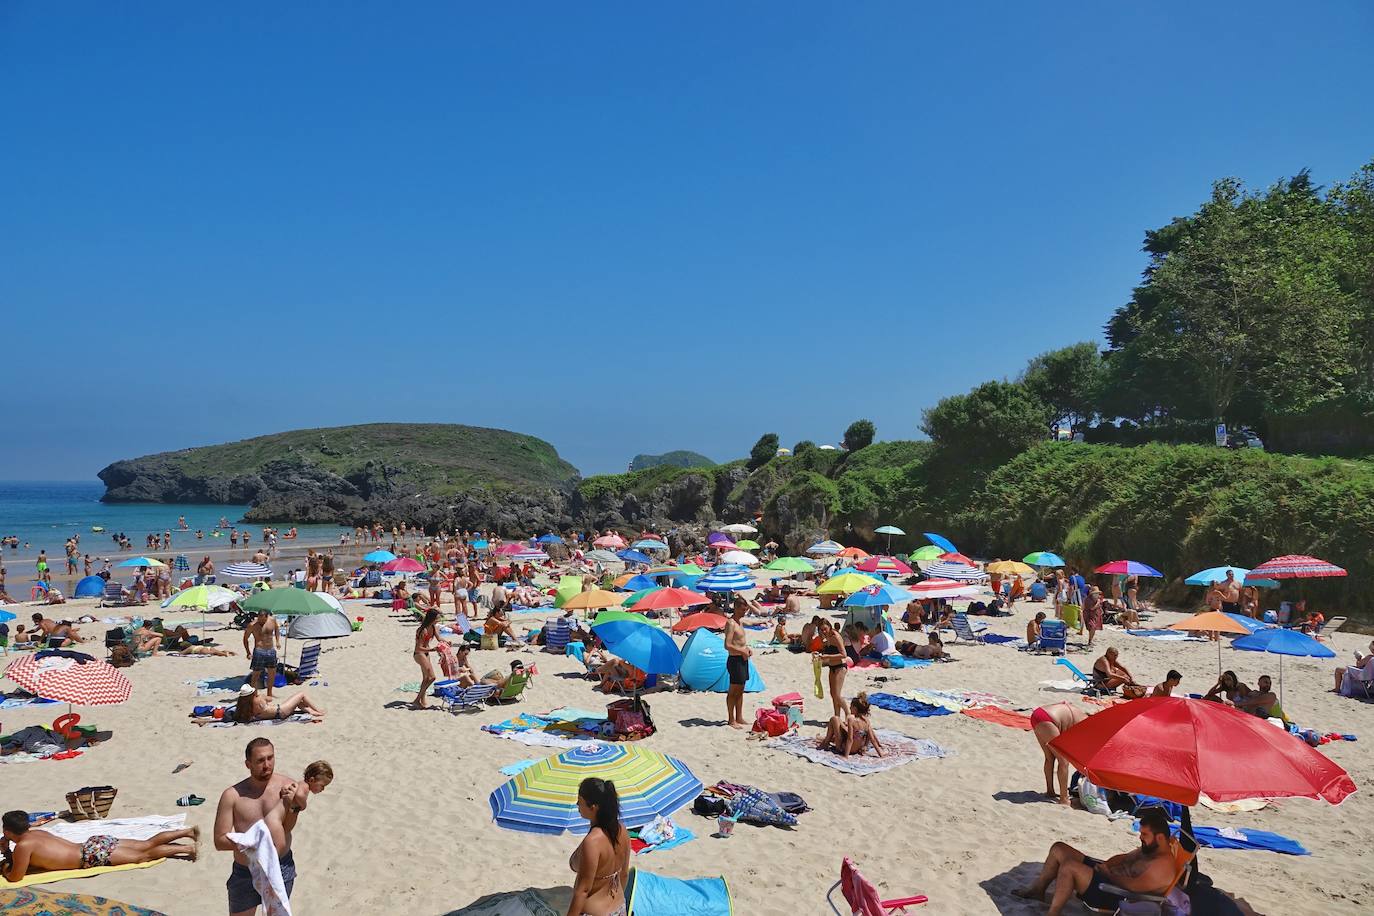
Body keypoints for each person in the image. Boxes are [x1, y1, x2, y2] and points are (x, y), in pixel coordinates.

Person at [1013, 807, 1179, 915]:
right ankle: (1038, 890)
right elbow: (1124, 858)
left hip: (1115, 894)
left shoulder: (1162, 867)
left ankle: (1053, 913)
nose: (1140, 837)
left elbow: (1133, 887)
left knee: (1069, 867)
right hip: (1108, 877)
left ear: (1160, 837)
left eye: (1144, 835)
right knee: (1059, 849)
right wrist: (1107, 865)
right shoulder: (1150, 848)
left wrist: (1108, 874)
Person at [215, 738, 306, 915]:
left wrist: (293, 806)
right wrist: (255, 844)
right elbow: (219, 840)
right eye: (260, 760)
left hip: (280, 866)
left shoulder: (287, 787)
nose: (267, 765)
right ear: (248, 764)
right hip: (245, 871)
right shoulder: (232, 796)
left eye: (270, 758)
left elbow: (286, 828)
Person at [2, 809, 197, 881]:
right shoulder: (37, 832)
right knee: (145, 844)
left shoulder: (23, 846)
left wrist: (4, 867)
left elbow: (15, 877)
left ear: (9, 831)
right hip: (92, 843)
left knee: (144, 856)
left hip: (89, 856)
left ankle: (186, 848)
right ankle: (187, 832)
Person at [567, 778, 630, 916]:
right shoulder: (623, 831)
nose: (577, 804)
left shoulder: (592, 842)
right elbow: (624, 874)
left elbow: (582, 891)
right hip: (619, 908)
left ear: (593, 807)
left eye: (580, 801)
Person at [1029, 700, 1088, 805]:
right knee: (1064, 760)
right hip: (1048, 719)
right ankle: (1064, 799)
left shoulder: (1082, 716)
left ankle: (1050, 791)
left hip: (1038, 715)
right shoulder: (1086, 725)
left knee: (1050, 757)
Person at [819, 692, 884, 758]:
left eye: (851, 707)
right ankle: (825, 740)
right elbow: (872, 739)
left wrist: (846, 756)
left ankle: (825, 743)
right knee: (841, 724)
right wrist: (880, 754)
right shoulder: (867, 721)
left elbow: (850, 739)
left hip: (844, 749)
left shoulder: (852, 720)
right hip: (858, 749)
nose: (849, 708)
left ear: (855, 709)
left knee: (834, 719)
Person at [723, 597, 751, 729]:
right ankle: (731, 719)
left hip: (742, 659)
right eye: (742, 610)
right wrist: (741, 651)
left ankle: (739, 716)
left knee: (741, 689)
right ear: (736, 608)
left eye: (745, 610)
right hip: (734, 660)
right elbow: (727, 645)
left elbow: (740, 641)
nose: (744, 612)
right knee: (733, 691)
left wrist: (746, 650)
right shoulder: (731, 623)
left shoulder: (740, 622)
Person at [243, 608, 282, 699]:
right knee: (256, 674)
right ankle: (254, 694)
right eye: (259, 618)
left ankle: (269, 693)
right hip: (259, 650)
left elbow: (277, 629)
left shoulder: (272, 621)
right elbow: (245, 639)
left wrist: (277, 641)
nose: (261, 621)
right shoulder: (252, 625)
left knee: (272, 673)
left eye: (263, 619)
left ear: (267, 616)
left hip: (271, 650)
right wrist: (248, 652)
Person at [231, 685, 326, 722]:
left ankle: (311, 711)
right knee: (301, 694)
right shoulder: (258, 699)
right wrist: (262, 695)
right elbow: (270, 699)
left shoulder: (243, 706)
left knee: (298, 702)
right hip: (281, 711)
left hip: (277, 713)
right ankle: (318, 710)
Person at [815, 619, 847, 719]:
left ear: (829, 626)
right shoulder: (826, 637)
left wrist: (827, 656)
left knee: (837, 695)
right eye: (821, 630)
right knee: (833, 694)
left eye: (825, 629)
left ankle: (848, 713)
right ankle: (837, 716)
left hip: (840, 667)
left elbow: (843, 654)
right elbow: (827, 652)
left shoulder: (835, 636)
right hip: (832, 667)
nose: (824, 631)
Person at [412, 608, 442, 709]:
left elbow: (439, 638)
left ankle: (422, 699)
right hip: (419, 653)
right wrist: (433, 649)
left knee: (426, 678)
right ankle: (417, 700)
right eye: (437, 618)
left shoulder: (433, 627)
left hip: (426, 653)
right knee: (432, 677)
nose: (439, 619)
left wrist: (447, 642)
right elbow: (418, 647)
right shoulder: (423, 630)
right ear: (432, 618)